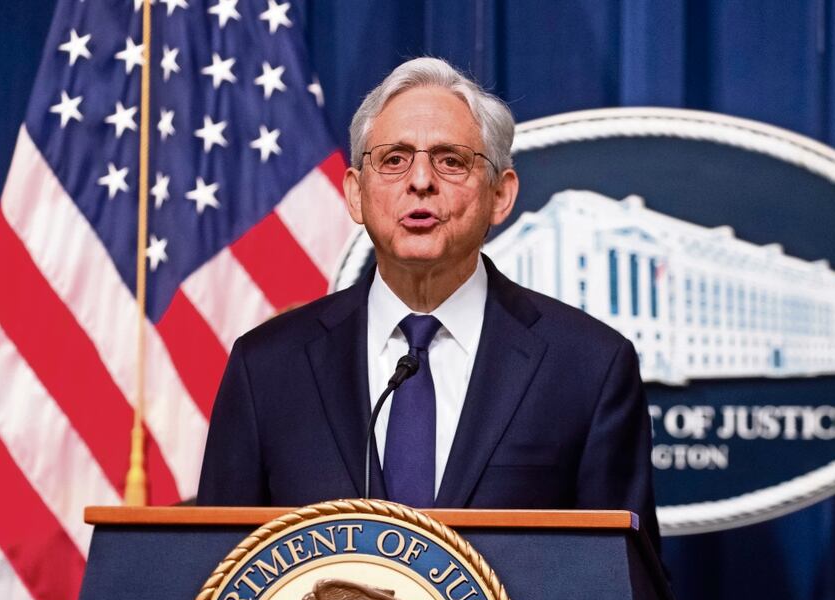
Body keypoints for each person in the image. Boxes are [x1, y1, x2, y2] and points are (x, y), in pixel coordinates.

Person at [196, 57, 660, 551]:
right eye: (394, 159)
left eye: (450, 160)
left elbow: (626, 595)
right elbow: (218, 576)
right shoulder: (267, 368)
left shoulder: (587, 366)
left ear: (500, 195)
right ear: (355, 194)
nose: (420, 181)